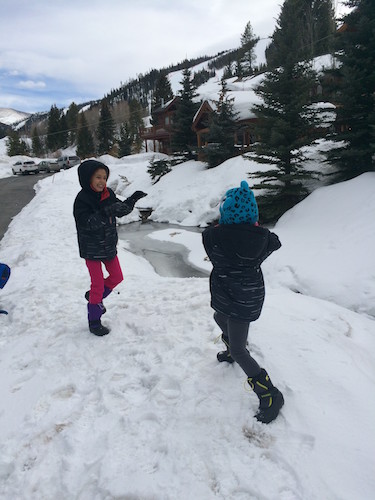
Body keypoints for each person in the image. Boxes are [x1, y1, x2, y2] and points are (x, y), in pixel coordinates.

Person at [202, 180, 284, 424]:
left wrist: (224, 225)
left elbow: (208, 234)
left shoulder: (214, 239)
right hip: (247, 297)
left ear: (226, 215)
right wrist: (255, 228)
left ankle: (269, 393)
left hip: (232, 298)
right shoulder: (262, 241)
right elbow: (275, 241)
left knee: (240, 348)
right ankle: (231, 350)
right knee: (219, 317)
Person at [73, 159, 147, 336]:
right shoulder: (82, 200)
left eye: (104, 177)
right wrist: (107, 211)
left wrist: (132, 199)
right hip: (91, 250)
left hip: (108, 246)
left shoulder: (108, 193)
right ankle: (94, 320)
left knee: (117, 277)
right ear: (87, 178)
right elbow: (88, 223)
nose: (102, 181)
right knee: (98, 285)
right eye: (98, 177)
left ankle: (93, 297)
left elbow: (119, 209)